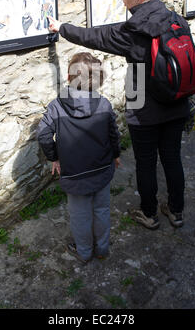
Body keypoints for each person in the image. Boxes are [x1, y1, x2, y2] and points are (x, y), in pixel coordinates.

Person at [48, 0, 193, 230]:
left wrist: (62, 28)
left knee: (146, 162)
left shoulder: (137, 28)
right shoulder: (176, 19)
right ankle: (176, 211)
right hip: (177, 101)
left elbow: (96, 37)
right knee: (172, 157)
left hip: (143, 103)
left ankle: (149, 214)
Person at [36, 52, 121, 264]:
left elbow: (43, 134)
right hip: (102, 169)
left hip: (75, 173)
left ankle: (84, 251)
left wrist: (54, 157)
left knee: (80, 216)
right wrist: (116, 154)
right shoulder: (104, 104)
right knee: (101, 210)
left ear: (68, 76)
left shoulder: (56, 107)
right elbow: (114, 133)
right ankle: (101, 248)